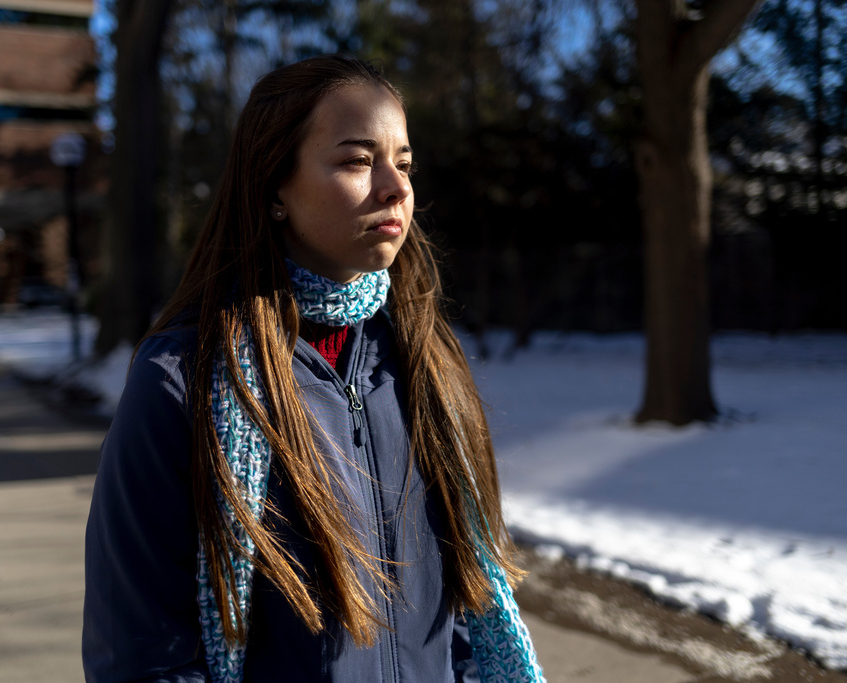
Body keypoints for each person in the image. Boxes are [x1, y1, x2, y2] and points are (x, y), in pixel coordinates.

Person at [83, 54, 544, 683]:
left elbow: (459, 615)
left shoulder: (422, 362)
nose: (395, 188)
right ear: (274, 187)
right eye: (358, 161)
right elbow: (143, 658)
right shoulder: (184, 381)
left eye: (404, 163)